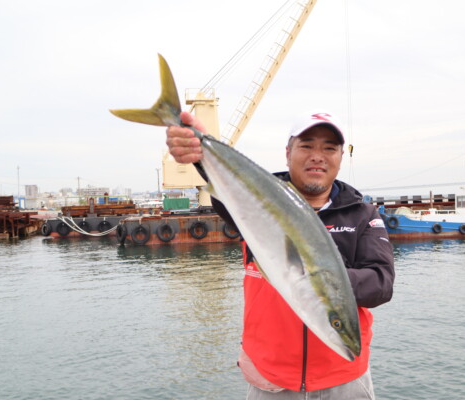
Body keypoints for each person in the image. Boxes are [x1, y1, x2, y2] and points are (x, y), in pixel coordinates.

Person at [166, 110, 395, 399]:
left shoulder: (363, 214)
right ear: (288, 153)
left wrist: (316, 278)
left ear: (340, 157)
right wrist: (199, 148)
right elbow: (228, 192)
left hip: (344, 379)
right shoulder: (257, 202)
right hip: (269, 378)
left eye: (329, 148)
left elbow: (381, 284)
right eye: (307, 145)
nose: (317, 155)